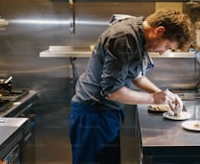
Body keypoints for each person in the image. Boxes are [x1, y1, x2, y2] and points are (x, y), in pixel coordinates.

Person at [70, 9, 191, 164]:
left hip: (105, 113)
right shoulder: (124, 37)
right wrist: (153, 98)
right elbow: (113, 92)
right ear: (159, 31)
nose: (162, 52)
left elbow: (136, 76)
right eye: (167, 46)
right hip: (93, 115)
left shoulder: (138, 34)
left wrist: (162, 94)